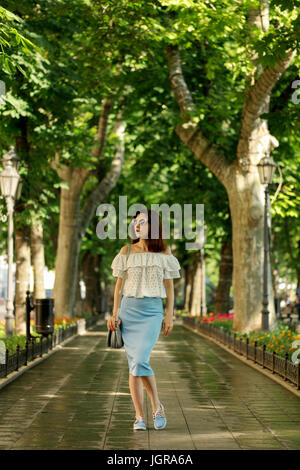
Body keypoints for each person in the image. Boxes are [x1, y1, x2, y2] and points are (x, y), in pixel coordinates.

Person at [107, 209, 181, 431]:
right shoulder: (127, 250)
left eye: (143, 222)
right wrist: (115, 312)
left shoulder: (164, 251)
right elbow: (119, 285)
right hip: (128, 310)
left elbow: (169, 285)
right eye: (135, 222)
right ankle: (140, 416)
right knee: (135, 364)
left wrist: (169, 314)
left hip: (152, 311)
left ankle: (157, 406)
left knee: (140, 359)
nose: (137, 225)